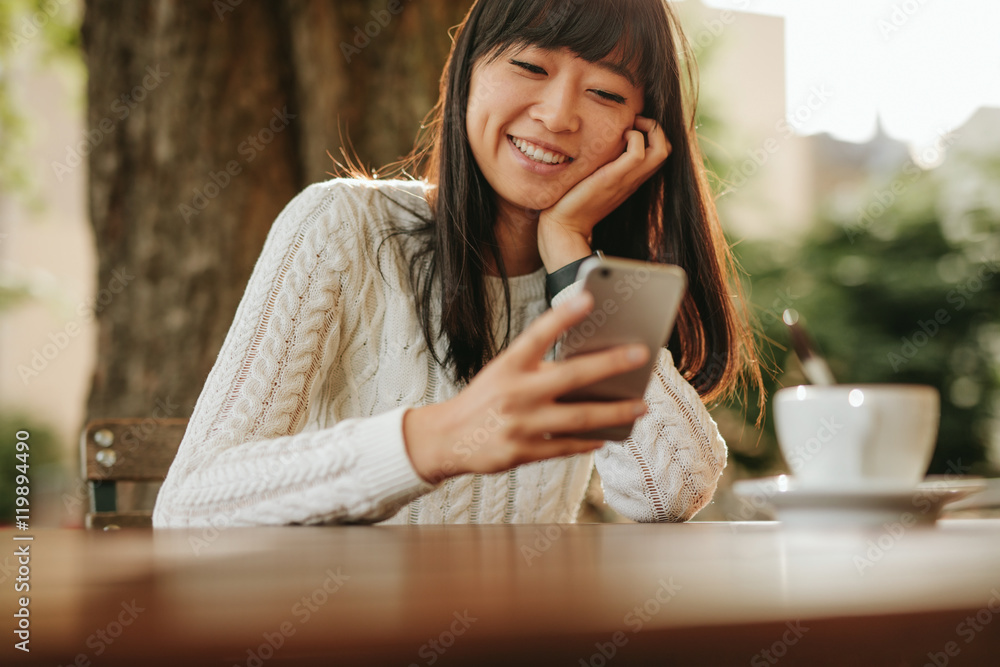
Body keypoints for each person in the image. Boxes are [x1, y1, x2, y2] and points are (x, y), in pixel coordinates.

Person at [153, 0, 760, 528]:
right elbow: (189, 503)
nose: (557, 115)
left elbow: (671, 490)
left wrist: (570, 254)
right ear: (468, 73)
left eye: (605, 92)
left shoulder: (598, 289)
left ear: (640, 133)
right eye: (530, 65)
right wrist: (433, 444)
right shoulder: (342, 226)